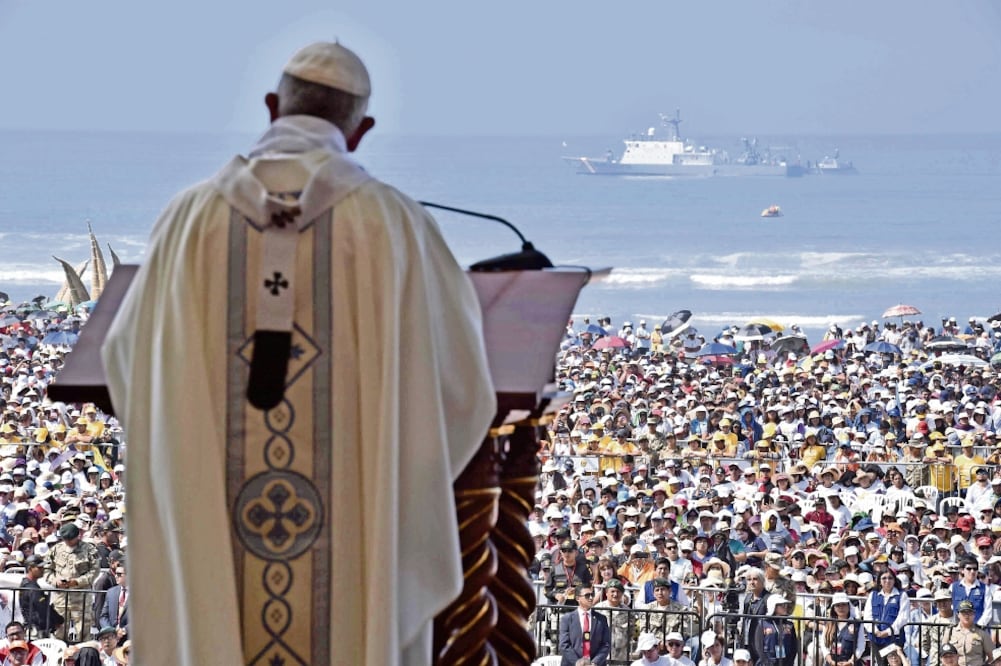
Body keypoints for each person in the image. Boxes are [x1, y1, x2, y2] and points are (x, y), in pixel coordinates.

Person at [100, 41, 495, 666]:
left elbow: (128, 367)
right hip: (353, 560)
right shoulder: (390, 225)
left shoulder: (188, 221)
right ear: (360, 132)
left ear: (269, 107)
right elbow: (459, 388)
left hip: (215, 554)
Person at [43, 522, 99, 640]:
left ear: (77, 536)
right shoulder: (56, 550)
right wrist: (55, 581)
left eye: (71, 539)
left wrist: (78, 581)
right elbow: (46, 569)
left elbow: (95, 571)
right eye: (66, 539)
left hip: (81, 597)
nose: (68, 542)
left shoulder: (89, 550)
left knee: (83, 631)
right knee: (59, 630)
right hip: (61, 598)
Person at [559, 584, 610, 666]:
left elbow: (606, 644)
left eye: (592, 595)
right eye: (587, 595)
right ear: (578, 598)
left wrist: (595, 662)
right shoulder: (567, 619)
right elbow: (564, 644)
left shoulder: (601, 619)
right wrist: (577, 662)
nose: (591, 598)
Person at [18, 555, 63, 637]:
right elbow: (43, 608)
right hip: (37, 629)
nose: (43, 570)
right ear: (30, 568)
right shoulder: (31, 588)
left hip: (36, 627)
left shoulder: (27, 585)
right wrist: (56, 621)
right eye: (39, 568)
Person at [950, 600, 993, 666]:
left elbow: (991, 656)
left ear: (974, 615)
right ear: (958, 614)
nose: (967, 615)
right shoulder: (950, 631)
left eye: (970, 612)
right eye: (963, 612)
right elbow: (944, 654)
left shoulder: (982, 633)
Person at [98, 565, 128, 641]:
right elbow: (103, 616)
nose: (115, 576)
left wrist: (124, 630)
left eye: (119, 574)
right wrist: (110, 631)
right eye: (115, 573)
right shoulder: (111, 592)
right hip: (111, 638)